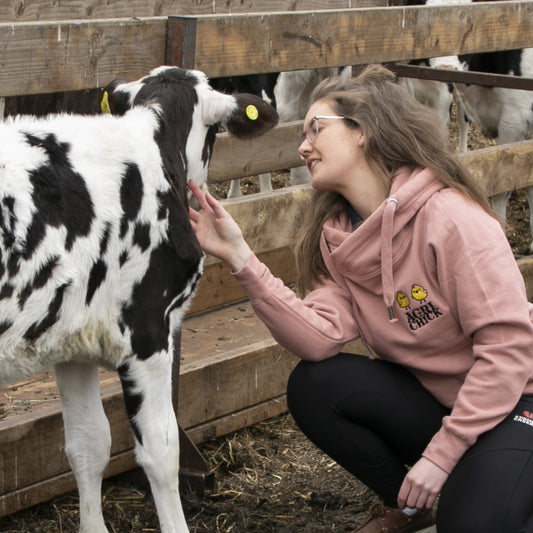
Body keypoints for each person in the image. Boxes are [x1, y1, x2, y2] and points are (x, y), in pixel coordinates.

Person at [188, 64, 533, 533]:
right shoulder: (338, 238)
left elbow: (508, 350)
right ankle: (416, 509)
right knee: (316, 385)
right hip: (443, 403)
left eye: (317, 129)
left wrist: (441, 455)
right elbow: (318, 340)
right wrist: (240, 256)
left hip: (515, 403)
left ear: (363, 132)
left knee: (474, 522)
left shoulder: (451, 217)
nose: (302, 145)